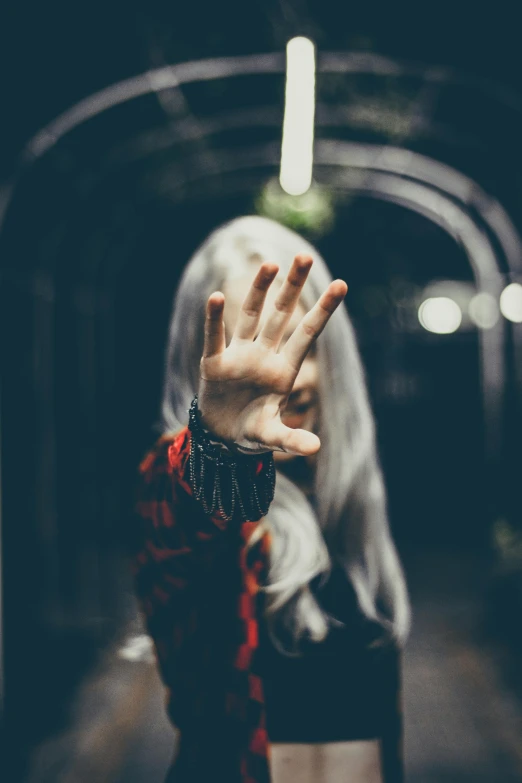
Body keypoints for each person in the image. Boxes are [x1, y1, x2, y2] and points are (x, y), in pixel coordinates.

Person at [132, 215, 411, 783]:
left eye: (300, 347)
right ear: (201, 363)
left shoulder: (345, 501)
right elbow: (180, 511)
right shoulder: (193, 488)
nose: (285, 380)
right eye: (251, 354)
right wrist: (219, 444)